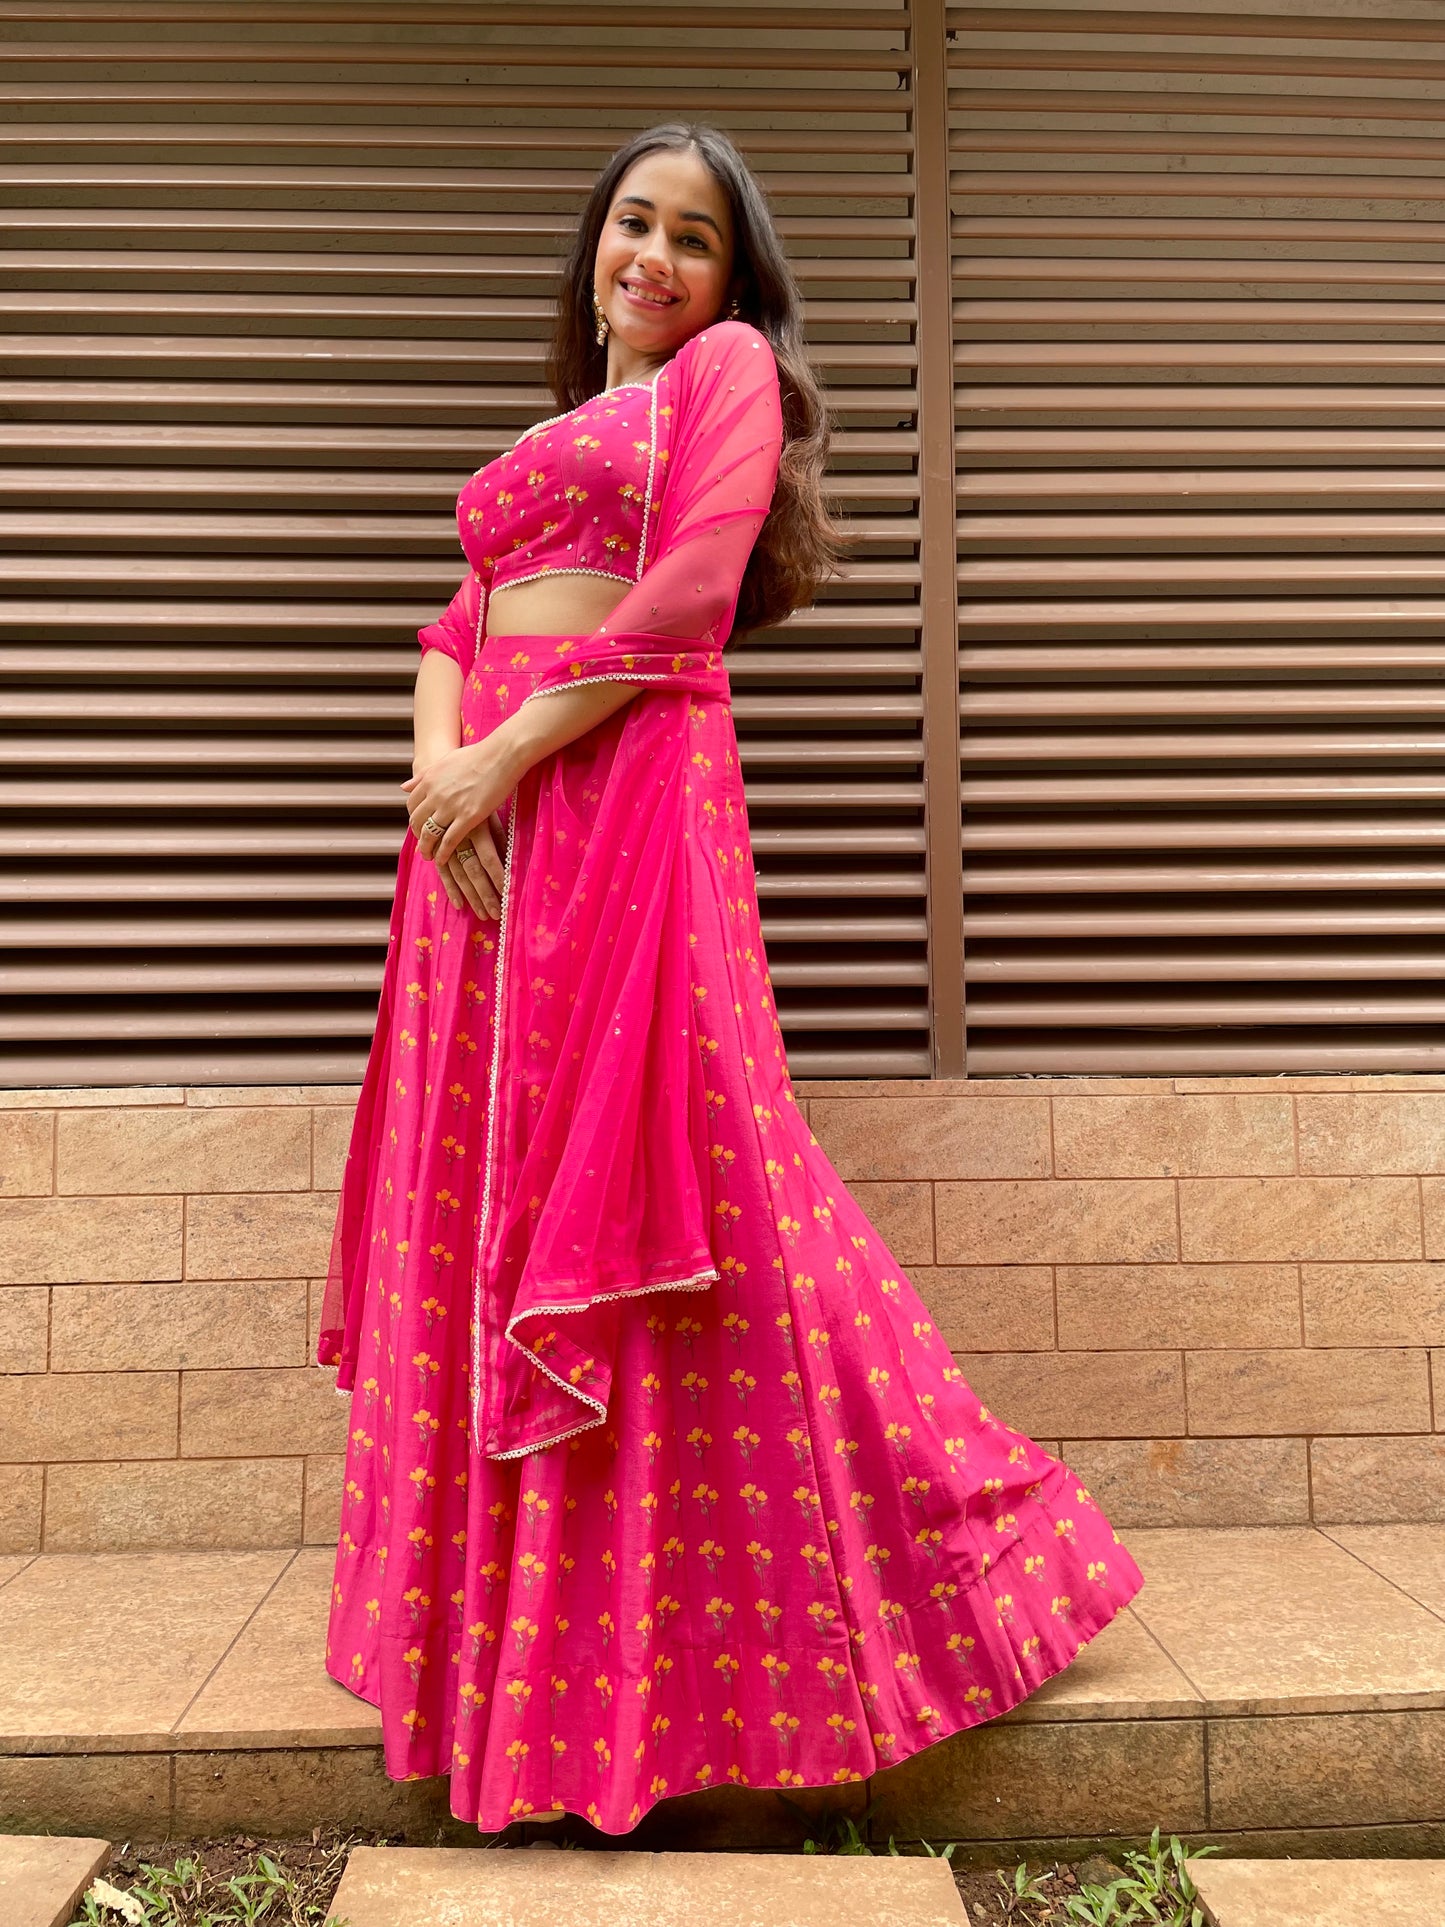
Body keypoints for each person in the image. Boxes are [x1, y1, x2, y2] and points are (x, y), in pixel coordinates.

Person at [318, 120, 1145, 1838]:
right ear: (593, 242)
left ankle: (968, 1544)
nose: (654, 257)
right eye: (632, 222)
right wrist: (438, 775)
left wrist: (507, 758)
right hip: (477, 847)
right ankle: (523, 1676)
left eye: (692, 237)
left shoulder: (724, 374)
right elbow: (453, 621)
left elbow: (691, 585)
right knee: (498, 1211)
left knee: (691, 1195)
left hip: (617, 808)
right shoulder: (551, 427)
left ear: (732, 273)